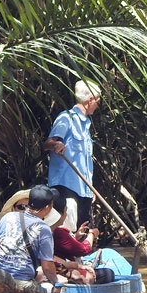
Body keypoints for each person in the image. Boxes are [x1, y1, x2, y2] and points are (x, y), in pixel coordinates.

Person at [43, 80, 101, 228]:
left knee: (83, 232)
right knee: (68, 231)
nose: (97, 105)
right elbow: (47, 143)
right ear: (90, 100)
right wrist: (56, 145)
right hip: (66, 186)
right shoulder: (66, 118)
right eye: (97, 101)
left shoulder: (86, 125)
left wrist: (91, 187)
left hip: (84, 189)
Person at [0, 184, 59, 290]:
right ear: (48, 207)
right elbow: (47, 267)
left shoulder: (7, 217)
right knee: (48, 289)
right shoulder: (43, 229)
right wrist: (56, 281)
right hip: (19, 281)